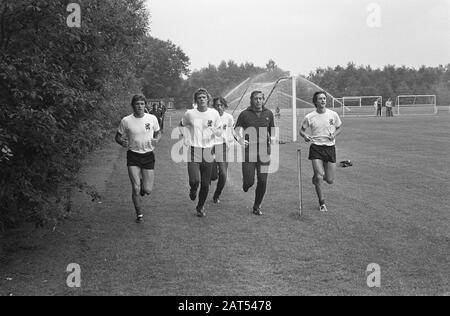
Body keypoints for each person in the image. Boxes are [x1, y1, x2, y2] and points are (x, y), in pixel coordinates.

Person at [115, 95, 161, 223]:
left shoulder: (152, 118)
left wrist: (157, 139)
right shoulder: (126, 120)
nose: (140, 106)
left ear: (145, 105)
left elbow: (158, 131)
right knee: (135, 188)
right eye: (137, 104)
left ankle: (142, 184)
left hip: (148, 155)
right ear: (133, 105)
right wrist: (121, 142)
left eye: (142, 103)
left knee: (147, 190)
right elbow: (117, 136)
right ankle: (139, 214)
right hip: (133, 155)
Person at [180, 88, 223, 217]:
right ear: (196, 100)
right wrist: (186, 136)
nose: (202, 99)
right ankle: (193, 190)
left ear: (208, 99)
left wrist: (216, 132)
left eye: (204, 97)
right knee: (194, 180)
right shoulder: (190, 114)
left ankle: (200, 207)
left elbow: (220, 130)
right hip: (194, 149)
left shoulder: (214, 113)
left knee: (205, 184)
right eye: (199, 97)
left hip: (208, 151)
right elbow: (182, 125)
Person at [299, 91, 342, 212]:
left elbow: (339, 128)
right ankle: (322, 203)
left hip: (330, 148)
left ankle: (316, 178)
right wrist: (305, 136)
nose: (323, 100)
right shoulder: (309, 117)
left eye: (324, 98)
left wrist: (334, 135)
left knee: (329, 180)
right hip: (316, 148)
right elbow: (301, 131)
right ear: (315, 101)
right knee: (319, 176)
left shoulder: (333, 114)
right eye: (320, 99)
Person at [235, 91, 275, 216]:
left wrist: (272, 138)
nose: (258, 101)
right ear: (251, 100)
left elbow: (272, 129)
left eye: (260, 98)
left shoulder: (269, 113)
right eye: (256, 99)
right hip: (249, 152)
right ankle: (246, 184)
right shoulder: (244, 114)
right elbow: (236, 130)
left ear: (263, 100)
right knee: (249, 182)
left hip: (264, 152)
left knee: (262, 181)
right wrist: (240, 139)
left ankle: (257, 206)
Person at [210, 97, 235, 204]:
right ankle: (212, 174)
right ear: (214, 106)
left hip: (223, 147)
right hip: (210, 147)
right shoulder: (209, 117)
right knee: (213, 176)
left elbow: (232, 132)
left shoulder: (229, 117)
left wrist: (235, 141)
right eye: (217, 105)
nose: (219, 107)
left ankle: (217, 195)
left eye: (221, 105)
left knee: (223, 175)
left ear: (224, 106)